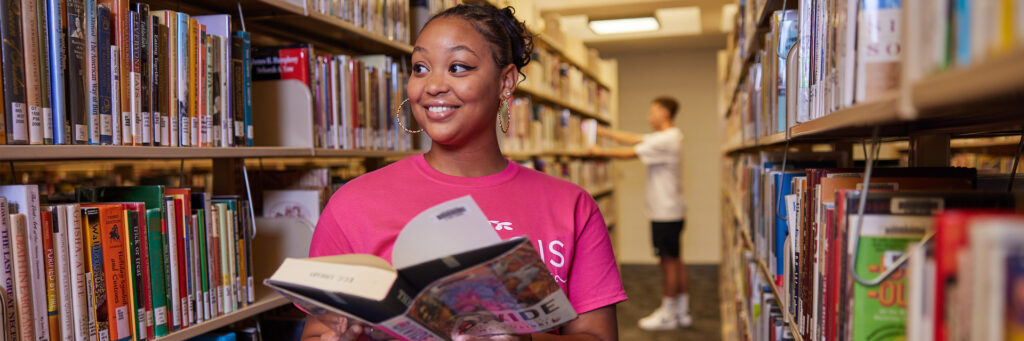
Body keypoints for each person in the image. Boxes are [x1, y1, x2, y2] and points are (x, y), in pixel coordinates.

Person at [301, 3, 627, 341]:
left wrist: (521, 340)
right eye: (420, 67)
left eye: (458, 67)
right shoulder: (353, 203)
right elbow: (318, 331)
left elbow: (598, 337)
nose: (433, 86)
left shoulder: (572, 207)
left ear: (506, 82)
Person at [590, 97, 689, 330]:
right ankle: (682, 311)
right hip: (672, 210)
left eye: (652, 111)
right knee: (676, 260)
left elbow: (630, 152)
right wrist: (605, 132)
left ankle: (667, 314)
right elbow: (635, 138)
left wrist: (598, 151)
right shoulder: (671, 136)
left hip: (664, 213)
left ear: (664, 113)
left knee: (667, 262)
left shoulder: (666, 140)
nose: (649, 117)